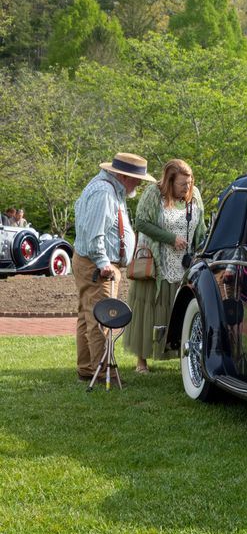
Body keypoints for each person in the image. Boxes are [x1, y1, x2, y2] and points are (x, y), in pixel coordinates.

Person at [73, 152, 155, 382]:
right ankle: (102, 373)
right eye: (135, 178)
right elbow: (94, 233)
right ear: (121, 175)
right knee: (102, 319)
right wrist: (103, 263)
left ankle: (88, 369)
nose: (138, 183)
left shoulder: (108, 188)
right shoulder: (104, 193)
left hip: (92, 263)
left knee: (88, 316)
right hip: (98, 266)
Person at [125, 159, 205, 374]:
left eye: (189, 183)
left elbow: (201, 228)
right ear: (169, 182)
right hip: (158, 263)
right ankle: (141, 361)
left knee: (178, 311)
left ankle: (183, 357)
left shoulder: (194, 195)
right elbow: (141, 222)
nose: (187, 188)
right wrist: (170, 238)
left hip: (184, 265)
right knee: (150, 309)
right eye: (182, 184)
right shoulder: (154, 193)